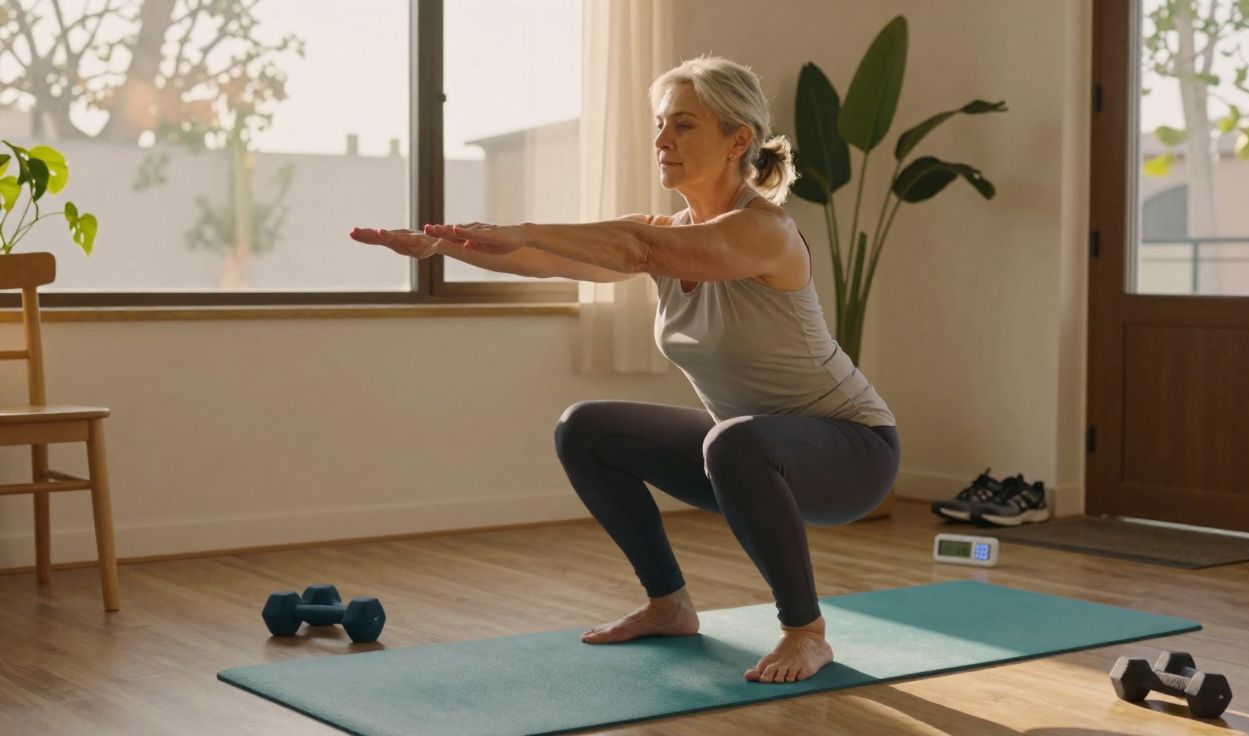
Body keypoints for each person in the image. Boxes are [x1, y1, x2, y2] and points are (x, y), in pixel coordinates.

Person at [350, 55, 899, 685]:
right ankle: (669, 605)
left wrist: (519, 227)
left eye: (685, 126)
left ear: (738, 139)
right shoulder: (667, 233)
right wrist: (441, 246)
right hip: (748, 451)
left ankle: (805, 632)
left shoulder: (763, 231)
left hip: (854, 454)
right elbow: (546, 259)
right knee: (586, 428)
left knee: (735, 440)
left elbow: (637, 247)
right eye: (661, 124)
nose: (662, 141)